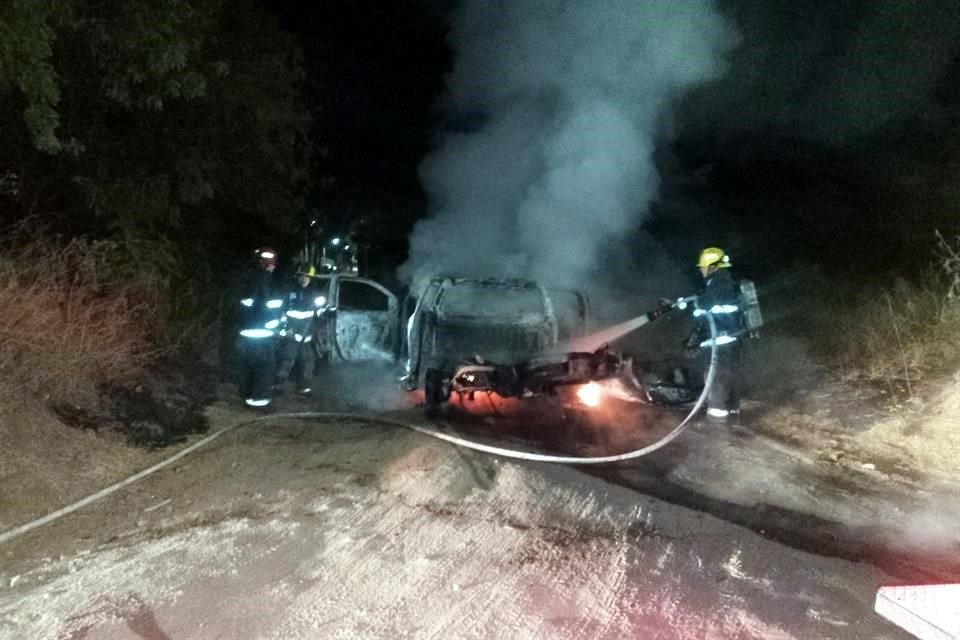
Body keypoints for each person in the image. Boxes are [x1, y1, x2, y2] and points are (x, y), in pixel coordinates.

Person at [684, 246, 746, 423]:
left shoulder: (721, 282)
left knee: (717, 382)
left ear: (713, 266)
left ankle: (716, 425)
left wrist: (696, 304)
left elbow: (706, 303)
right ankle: (732, 419)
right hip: (730, 342)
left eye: (703, 266)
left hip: (722, 344)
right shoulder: (721, 283)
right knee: (729, 381)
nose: (701, 270)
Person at [238, 246, 284, 409]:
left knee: (248, 365)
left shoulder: (247, 277)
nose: (274, 267)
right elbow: (268, 306)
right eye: (272, 264)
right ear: (268, 265)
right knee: (265, 366)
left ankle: (246, 396)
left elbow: (244, 304)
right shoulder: (264, 280)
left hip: (246, 330)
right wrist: (277, 324)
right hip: (262, 332)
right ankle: (259, 401)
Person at [276, 265, 324, 396]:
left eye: (307, 277)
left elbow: (318, 315)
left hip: (307, 335)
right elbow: (282, 313)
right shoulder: (290, 293)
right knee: (287, 359)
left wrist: (318, 326)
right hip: (292, 334)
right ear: (298, 277)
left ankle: (304, 388)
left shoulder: (315, 294)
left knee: (308, 361)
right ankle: (278, 386)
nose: (304, 279)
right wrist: (286, 329)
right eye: (302, 276)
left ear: (311, 278)